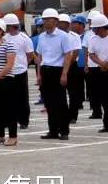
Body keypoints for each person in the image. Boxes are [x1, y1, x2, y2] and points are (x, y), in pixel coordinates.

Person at [33, 8, 75, 140]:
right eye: (44, 19)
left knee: (60, 102)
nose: (45, 22)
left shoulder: (63, 36)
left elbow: (68, 55)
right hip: (46, 70)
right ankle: (53, 130)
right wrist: (39, 74)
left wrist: (64, 74)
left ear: (56, 21)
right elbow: (39, 56)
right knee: (49, 103)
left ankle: (64, 131)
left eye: (48, 19)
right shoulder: (41, 36)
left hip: (58, 70)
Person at [84, 13, 108, 133]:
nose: (93, 31)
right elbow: (91, 54)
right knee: (103, 98)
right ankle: (107, 124)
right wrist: (101, 63)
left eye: (95, 28)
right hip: (99, 71)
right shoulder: (92, 39)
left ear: (102, 28)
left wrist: (106, 63)